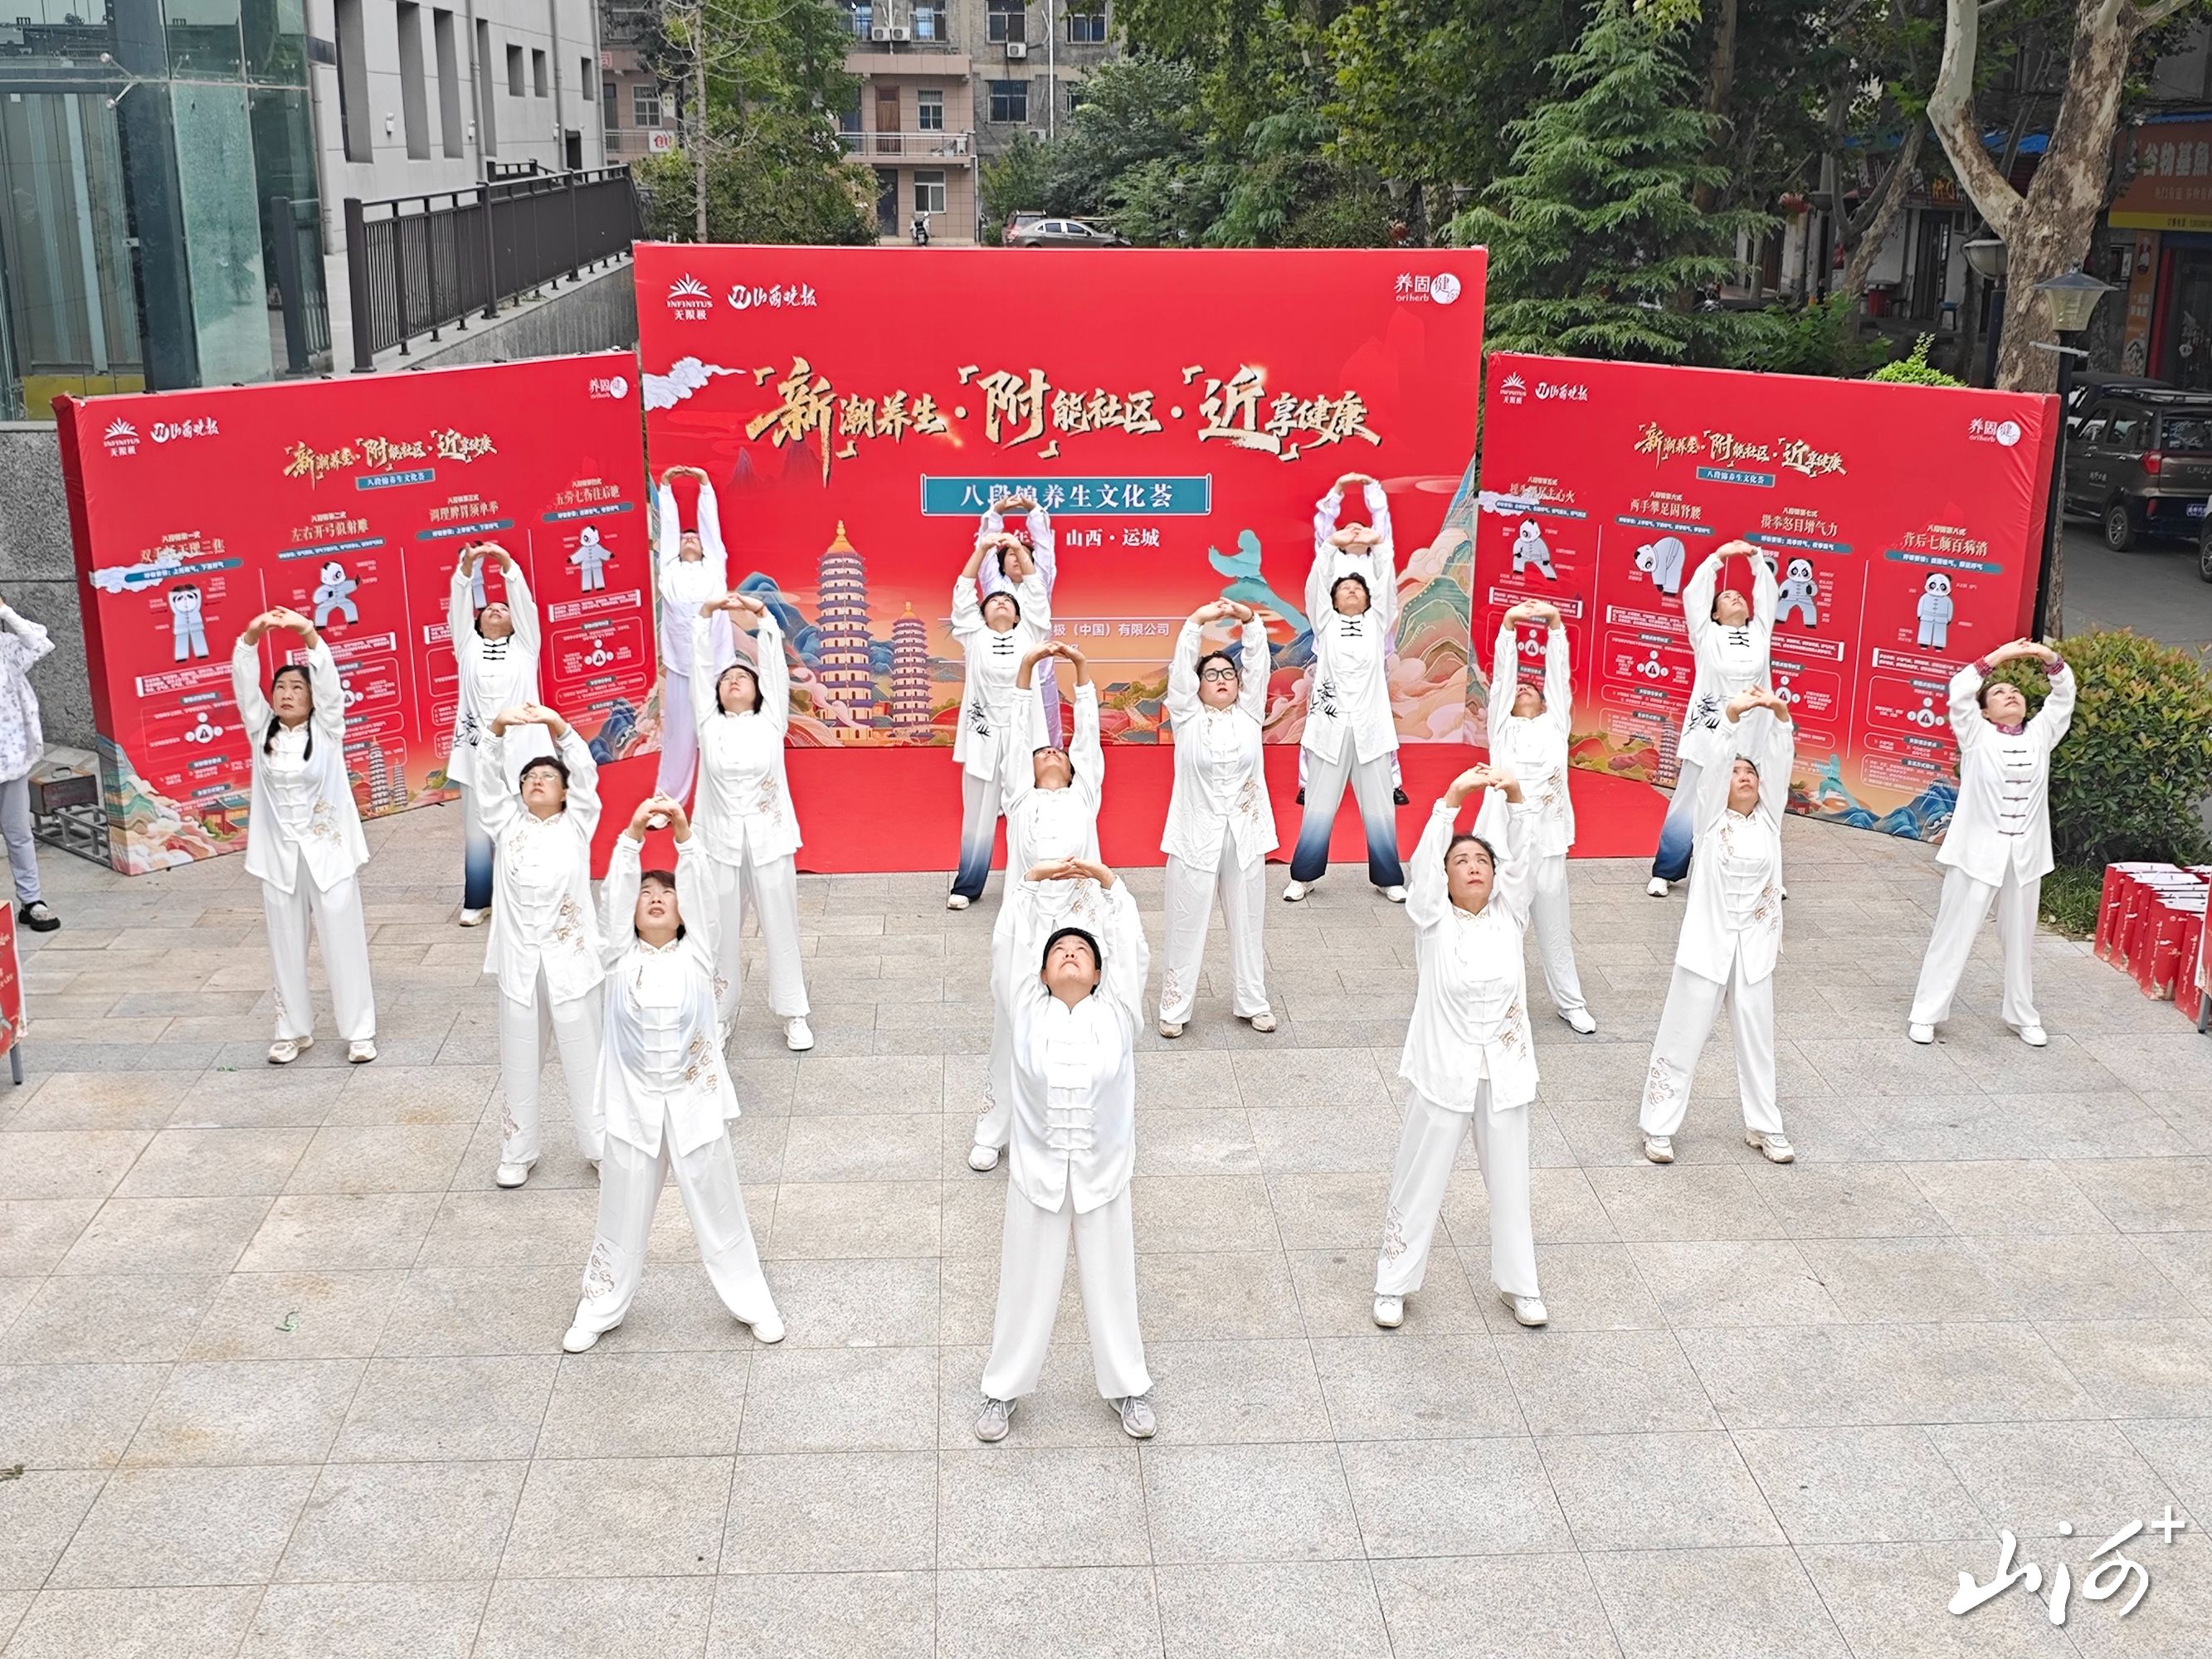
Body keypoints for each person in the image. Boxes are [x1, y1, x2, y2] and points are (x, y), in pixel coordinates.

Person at [563, 794, 784, 1352]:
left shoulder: (698, 956)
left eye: (667, 893)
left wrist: (684, 833)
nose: (656, 898)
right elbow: (613, 897)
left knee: (720, 1209)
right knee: (619, 1213)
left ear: (684, 914)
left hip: (694, 1105)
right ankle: (599, 1305)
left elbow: (706, 895)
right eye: (646, 894)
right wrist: (633, 834)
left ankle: (752, 1301)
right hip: (632, 1107)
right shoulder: (618, 959)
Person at [973, 858, 1155, 1445]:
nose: (1071, 954)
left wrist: (1108, 884)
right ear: (1044, 972)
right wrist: (1030, 885)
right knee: (1023, 1284)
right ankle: (1001, 1389)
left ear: (1099, 973)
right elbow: (1010, 945)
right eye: (1059, 951)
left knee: (1113, 1281)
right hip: (1038, 1176)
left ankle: (1129, 1386)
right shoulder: (1026, 1011)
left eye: (1082, 951)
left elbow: (1131, 947)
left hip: (1104, 1175)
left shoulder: (1118, 1013)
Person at [1374, 765, 1547, 1332]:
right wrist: (1451, 799)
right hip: (1442, 1070)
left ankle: (1521, 1286)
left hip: (1504, 1070)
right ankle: (1393, 1284)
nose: (1473, 867)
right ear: (1445, 877)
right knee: (1419, 1178)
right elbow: (1423, 864)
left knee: (1511, 1184)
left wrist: (1515, 796)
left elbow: (1526, 859)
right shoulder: (1432, 920)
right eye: (1461, 861)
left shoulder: (1510, 914)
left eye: (1482, 861)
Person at [1637, 688, 1797, 1165]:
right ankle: (1658, 1127)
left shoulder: (1769, 822)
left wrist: (1779, 715)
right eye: (1736, 772)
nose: (1744, 777)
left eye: (1751, 773)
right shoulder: (1709, 821)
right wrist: (1731, 717)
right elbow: (1714, 763)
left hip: (1754, 950)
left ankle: (1765, 1126)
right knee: (1682, 1034)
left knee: (1758, 1041)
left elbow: (1781, 761)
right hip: (1706, 946)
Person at [967, 641, 1104, 1174]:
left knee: (1083, 1022)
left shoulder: (1084, 796)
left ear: (1073, 770)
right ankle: (994, 1128)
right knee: (1013, 1021)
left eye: (1059, 754)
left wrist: (1082, 669)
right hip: (1024, 923)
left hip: (1078, 924)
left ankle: (1080, 1123)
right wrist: (1026, 669)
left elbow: (1087, 737)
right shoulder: (1019, 798)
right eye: (1043, 753)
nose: (1051, 753)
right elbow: (1020, 732)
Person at [1907, 640, 2076, 1048]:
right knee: (1953, 934)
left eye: (2015, 691)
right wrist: (1999, 657)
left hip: (2025, 857)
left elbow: (2063, 696)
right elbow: (1959, 690)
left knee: (2020, 941)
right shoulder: (1975, 734)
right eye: (1999, 692)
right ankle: (1926, 1013)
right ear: (1984, 711)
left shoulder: (2041, 734)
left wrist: (2048, 658)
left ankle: (2022, 1014)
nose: (2010, 694)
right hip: (1976, 854)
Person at [230, 608, 377, 1065]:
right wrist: (251, 637)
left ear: (313, 698)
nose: (287, 694)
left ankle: (359, 1032)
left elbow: (330, 684)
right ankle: (292, 1030)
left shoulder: (328, 729)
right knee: (285, 943)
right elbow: (244, 686)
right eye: (280, 688)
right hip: (279, 856)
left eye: (297, 688)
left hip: (329, 853)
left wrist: (307, 632)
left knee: (343, 941)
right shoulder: (261, 729)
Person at [480, 700, 607, 1188]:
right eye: (530, 777)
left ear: (565, 792)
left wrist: (558, 727)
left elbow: (587, 773)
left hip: (570, 962)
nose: (537, 781)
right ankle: (518, 1150)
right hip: (520, 963)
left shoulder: (578, 824)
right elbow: (486, 779)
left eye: (548, 777)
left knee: (585, 1054)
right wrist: (497, 729)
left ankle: (601, 1147)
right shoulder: (506, 823)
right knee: (519, 1057)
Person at [689, 590, 814, 1053]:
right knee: (719, 930)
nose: (734, 681)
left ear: (759, 691)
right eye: (727, 679)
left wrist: (762, 616)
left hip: (769, 837)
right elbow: (699, 667)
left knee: (780, 925)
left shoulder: (771, 721)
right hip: (719, 841)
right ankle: (720, 1015)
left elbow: (775, 668)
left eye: (744, 676)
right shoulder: (708, 724)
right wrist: (705, 616)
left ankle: (794, 1013)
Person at [1157, 599, 1276, 1039]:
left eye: (1228, 673)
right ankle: (1174, 1006)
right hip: (1194, 835)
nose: (1222, 680)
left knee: (1248, 924)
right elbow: (1179, 673)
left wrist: (1248, 619)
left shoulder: (1250, 714)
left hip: (1245, 835)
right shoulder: (1186, 717)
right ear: (1197, 685)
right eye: (1211, 674)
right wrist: (1197, 622)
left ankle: (1253, 1002)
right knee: (1185, 923)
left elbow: (1259, 662)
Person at [1488, 600, 1594, 1034]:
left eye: (1532, 688)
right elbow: (1502, 678)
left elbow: (1558, 678)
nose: (1524, 689)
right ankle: (1491, 1000)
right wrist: (1509, 628)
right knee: (1497, 927)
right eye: (1519, 689)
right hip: (1504, 843)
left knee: (1554, 929)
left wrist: (1554, 626)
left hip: (1548, 841)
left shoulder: (1555, 726)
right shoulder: (1501, 728)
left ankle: (1571, 1003)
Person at [1649, 541, 1776, 898]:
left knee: (1754, 801)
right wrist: (1718, 558)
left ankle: (1764, 876)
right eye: (1727, 597)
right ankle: (1666, 871)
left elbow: (1768, 595)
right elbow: (1694, 594)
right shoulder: (1706, 636)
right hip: (1709, 734)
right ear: (1715, 614)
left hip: (1751, 736)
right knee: (1688, 803)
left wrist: (1756, 560)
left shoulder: (1760, 633)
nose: (1736, 598)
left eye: (1740, 596)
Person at [1284, 535, 1403, 904]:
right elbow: (1316, 585)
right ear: (1333, 600)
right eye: (1344, 588)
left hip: (1371, 730)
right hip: (1329, 730)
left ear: (1369, 599)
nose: (1351, 590)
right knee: (1318, 806)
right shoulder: (1326, 623)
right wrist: (1330, 546)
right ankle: (1303, 877)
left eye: (1358, 588)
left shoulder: (1377, 622)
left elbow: (1387, 586)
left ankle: (1388, 878)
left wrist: (1378, 546)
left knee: (1380, 809)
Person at [947, 526, 1050, 909]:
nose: (1002, 603)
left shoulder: (1030, 633)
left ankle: (1038, 881)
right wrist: (982, 549)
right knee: (978, 814)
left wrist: (1018, 548)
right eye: (994, 601)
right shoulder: (973, 636)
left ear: (1020, 615)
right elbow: (963, 591)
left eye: (1008, 601)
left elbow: (1035, 589)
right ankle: (967, 886)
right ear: (982, 614)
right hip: (984, 735)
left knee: (1033, 810)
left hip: (1025, 736)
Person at [447, 542, 548, 927]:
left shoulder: (526, 647)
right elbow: (458, 605)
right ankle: (479, 898)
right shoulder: (467, 647)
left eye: (503, 608)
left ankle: (528, 896)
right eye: (489, 607)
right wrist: (467, 568)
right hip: (477, 751)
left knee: (526, 824)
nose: (496, 609)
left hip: (523, 752)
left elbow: (523, 603)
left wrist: (506, 564)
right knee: (478, 829)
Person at [1303, 474, 1407, 805]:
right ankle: (1308, 782)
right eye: (1349, 530)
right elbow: (1324, 532)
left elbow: (1383, 532)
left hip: (1370, 649)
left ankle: (1391, 781)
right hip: (1333, 648)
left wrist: (1372, 491)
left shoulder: (1378, 562)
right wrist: (1339, 489)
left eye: (1362, 530)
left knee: (1377, 714)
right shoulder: (1331, 558)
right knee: (1323, 711)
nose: (1356, 532)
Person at [652, 465, 733, 800]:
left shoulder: (714, 566)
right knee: (679, 735)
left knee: (724, 732)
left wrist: (704, 485)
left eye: (694, 538)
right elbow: (670, 530)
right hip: (682, 667)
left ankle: (730, 795)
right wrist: (666, 487)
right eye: (684, 538)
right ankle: (668, 798)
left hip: (717, 664)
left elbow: (711, 529)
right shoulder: (669, 570)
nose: (689, 539)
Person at [979, 494, 1061, 742]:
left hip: (1039, 667)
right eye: (1011, 554)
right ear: (1001, 565)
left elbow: (1045, 547)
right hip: (1000, 665)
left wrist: (1033, 509)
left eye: (1023, 554)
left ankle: (1047, 763)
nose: (1017, 556)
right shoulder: (993, 585)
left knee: (1044, 727)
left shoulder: (1040, 583)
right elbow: (985, 549)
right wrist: (996, 513)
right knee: (1001, 725)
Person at [0, 593, 58, 931]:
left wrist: (6, 610)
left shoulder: (6, 648)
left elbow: (39, 642)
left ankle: (32, 901)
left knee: (19, 832)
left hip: (11, 759)